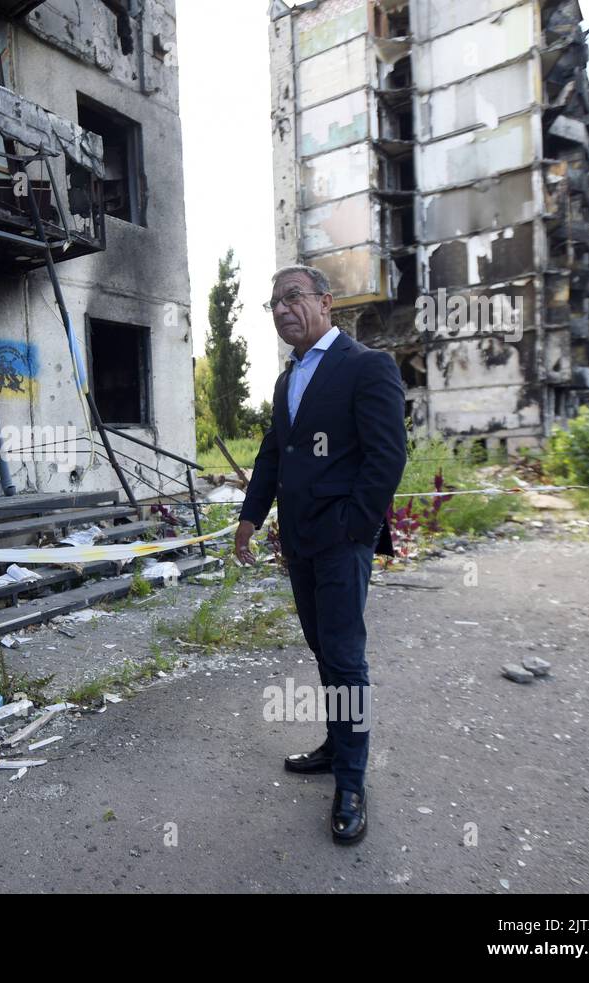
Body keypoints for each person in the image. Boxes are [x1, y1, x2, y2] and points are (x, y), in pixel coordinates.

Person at [234, 264, 407, 844]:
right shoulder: (287, 380)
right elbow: (273, 456)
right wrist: (250, 519)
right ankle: (338, 746)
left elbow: (387, 457)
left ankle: (353, 782)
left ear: (325, 302)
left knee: (344, 656)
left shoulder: (366, 366)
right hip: (300, 543)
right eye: (273, 303)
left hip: (340, 542)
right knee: (323, 650)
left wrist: (353, 528)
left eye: (292, 297)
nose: (282, 310)